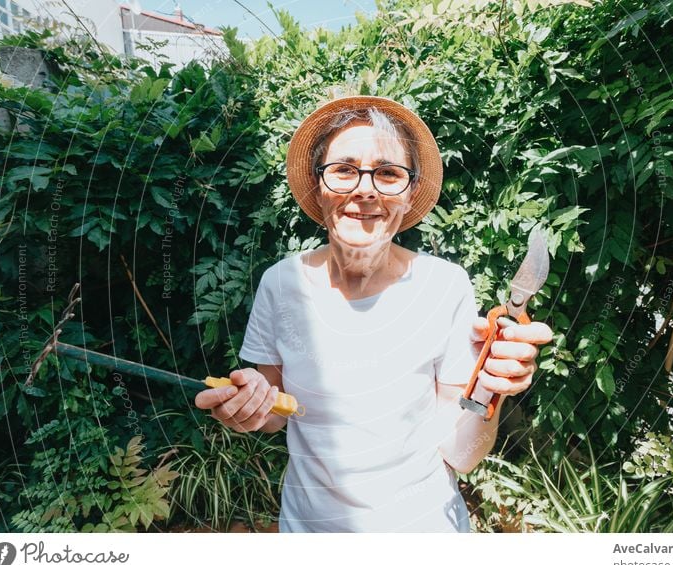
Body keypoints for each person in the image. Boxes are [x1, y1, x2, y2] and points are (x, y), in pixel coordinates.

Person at [195, 95, 552, 532]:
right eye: (344, 169)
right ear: (319, 184)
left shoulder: (445, 286)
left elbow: (462, 454)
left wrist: (490, 395)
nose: (365, 188)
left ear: (410, 193)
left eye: (387, 173)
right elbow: (273, 413)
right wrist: (248, 405)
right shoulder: (280, 284)